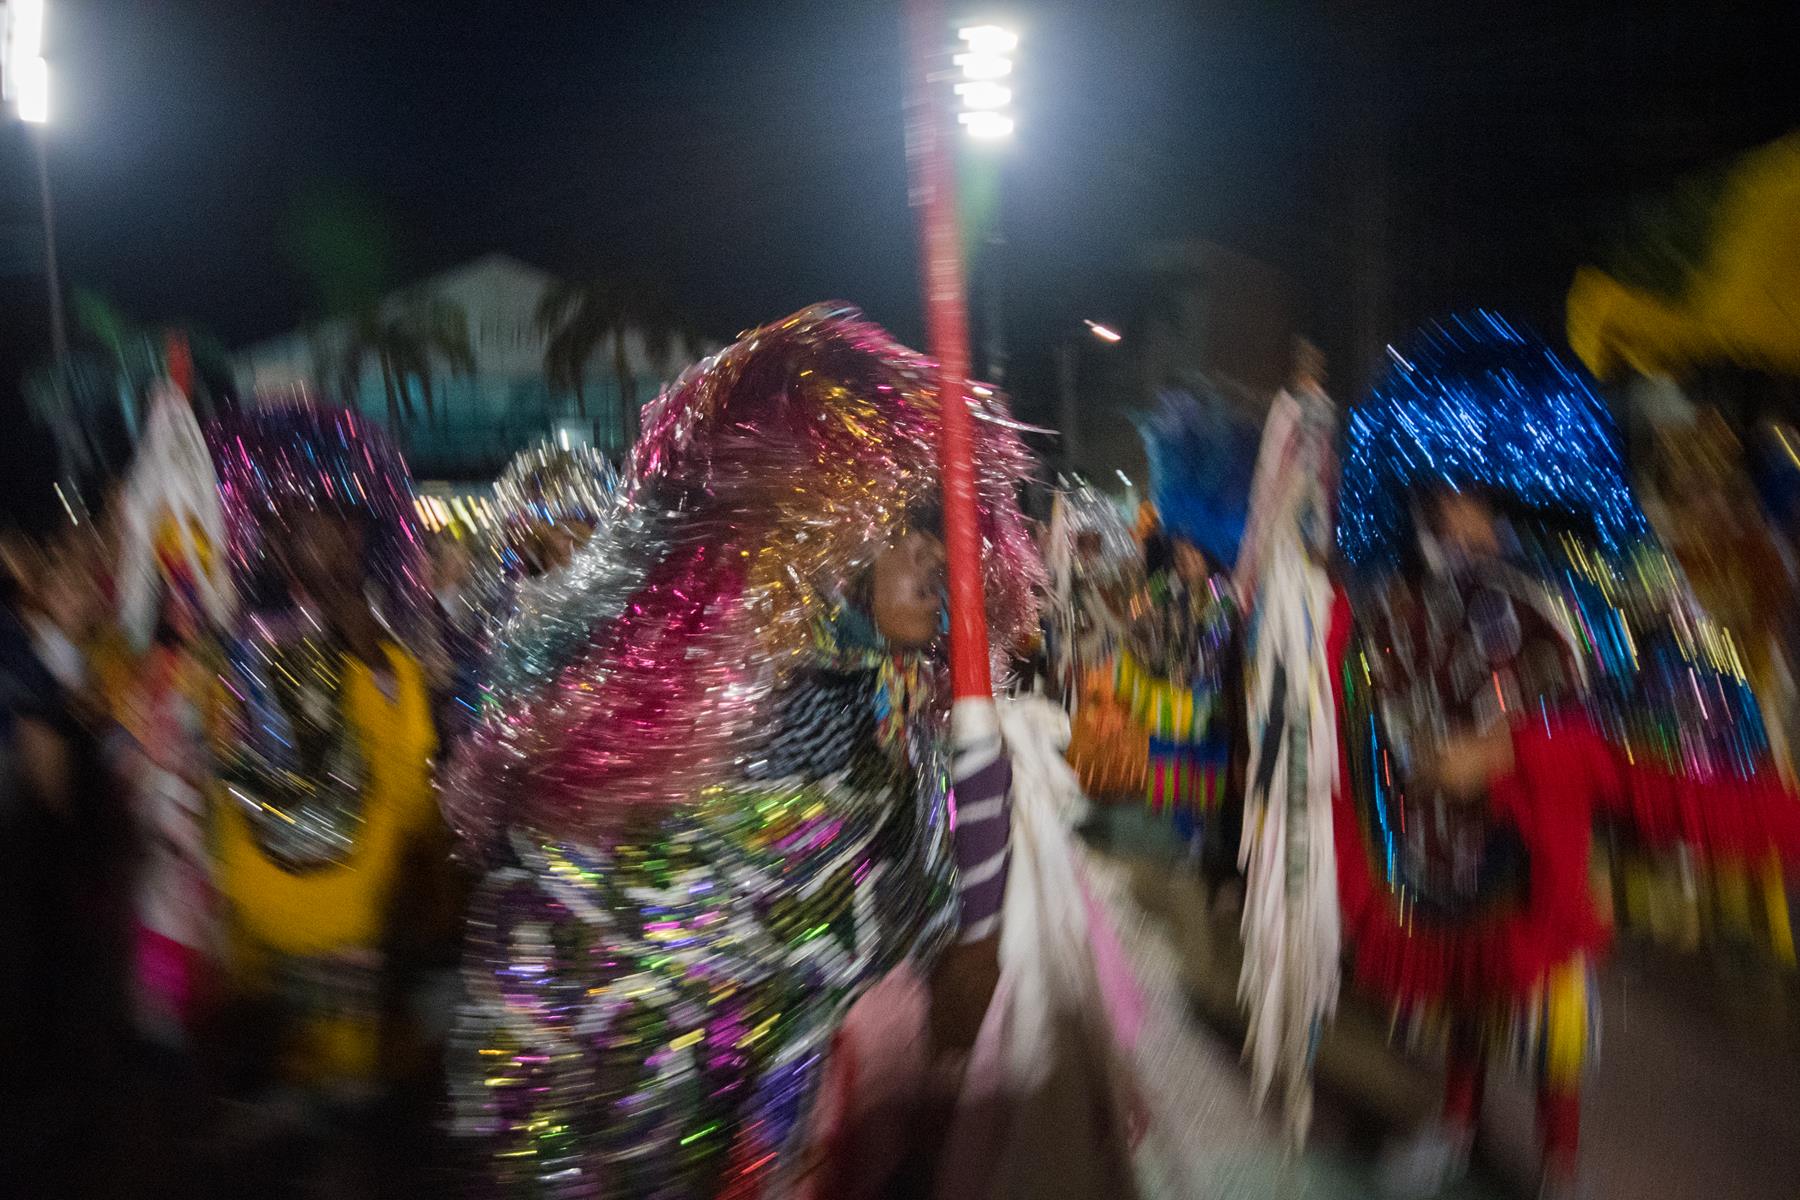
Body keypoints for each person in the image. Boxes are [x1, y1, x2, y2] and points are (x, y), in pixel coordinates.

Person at [446, 305, 1045, 1199]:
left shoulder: (903, 727)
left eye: (937, 523)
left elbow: (926, 944)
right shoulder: (645, 767)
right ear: (804, 532)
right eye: (899, 521)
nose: (932, 558)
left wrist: (953, 968)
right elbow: (552, 1057)